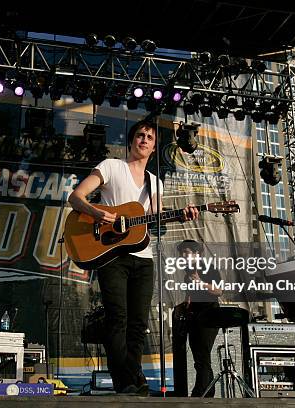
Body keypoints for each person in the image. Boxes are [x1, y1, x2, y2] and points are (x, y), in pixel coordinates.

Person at [68, 119, 199, 395]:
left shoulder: (155, 183)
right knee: (118, 318)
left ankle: (131, 376)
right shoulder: (111, 167)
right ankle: (127, 382)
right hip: (110, 254)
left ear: (153, 148)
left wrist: (180, 214)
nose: (144, 139)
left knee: (138, 323)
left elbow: (155, 220)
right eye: (140, 135)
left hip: (143, 256)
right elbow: (76, 197)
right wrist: (97, 212)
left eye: (150, 137)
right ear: (131, 141)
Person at [171, 239, 222, 397]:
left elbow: (219, 291)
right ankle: (208, 391)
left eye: (186, 253)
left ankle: (199, 392)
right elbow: (190, 296)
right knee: (199, 357)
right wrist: (183, 306)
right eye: (181, 254)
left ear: (197, 253)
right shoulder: (188, 273)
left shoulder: (208, 268)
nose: (183, 256)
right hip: (195, 317)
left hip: (209, 315)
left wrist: (201, 283)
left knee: (202, 355)